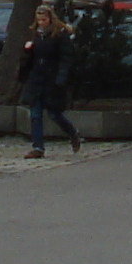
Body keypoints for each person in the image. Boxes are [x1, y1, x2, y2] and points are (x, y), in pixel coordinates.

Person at [23, 8, 81, 156]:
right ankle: (38, 147)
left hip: (52, 78)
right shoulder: (36, 35)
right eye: (39, 20)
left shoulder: (59, 35)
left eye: (44, 20)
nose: (41, 23)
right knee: (35, 113)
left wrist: (61, 77)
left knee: (54, 113)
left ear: (50, 19)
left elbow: (66, 58)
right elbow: (31, 59)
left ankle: (72, 132)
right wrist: (28, 52)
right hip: (37, 78)